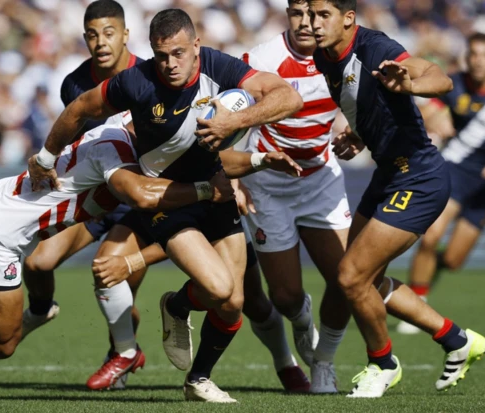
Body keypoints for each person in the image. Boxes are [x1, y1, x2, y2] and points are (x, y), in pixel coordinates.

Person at [27, 8, 303, 403]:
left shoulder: (220, 68)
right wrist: (44, 158)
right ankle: (129, 346)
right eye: (161, 55)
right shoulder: (136, 82)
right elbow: (80, 109)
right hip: (167, 200)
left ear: (196, 46)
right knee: (221, 288)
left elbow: (287, 97)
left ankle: (196, 372)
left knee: (235, 302)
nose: (170, 64)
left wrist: (236, 125)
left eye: (178, 53)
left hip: (215, 188)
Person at [0, 123, 235, 404]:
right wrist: (208, 190)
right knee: (3, 340)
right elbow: (142, 195)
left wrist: (256, 163)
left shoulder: (116, 132)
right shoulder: (117, 152)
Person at [308, 0, 485, 398]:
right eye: (309, 15)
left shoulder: (375, 48)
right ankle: (456, 339)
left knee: (351, 277)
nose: (313, 24)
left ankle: (383, 364)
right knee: (362, 279)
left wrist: (410, 84)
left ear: (348, 19)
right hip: (388, 174)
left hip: (419, 178)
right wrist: (359, 133)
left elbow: (439, 79)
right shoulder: (324, 56)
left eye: (323, 15)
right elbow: (369, 104)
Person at [18, 0, 149, 390]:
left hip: (139, 201)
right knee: (38, 264)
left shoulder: (149, 76)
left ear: (125, 34)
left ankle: (118, 356)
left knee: (114, 286)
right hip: (94, 200)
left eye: (109, 33)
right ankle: (41, 310)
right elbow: (76, 143)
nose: (101, 42)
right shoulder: (73, 84)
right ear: (85, 38)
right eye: (93, 35)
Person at [238, 0, 351, 394]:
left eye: (315, 14)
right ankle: (303, 322)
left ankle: (324, 363)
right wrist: (233, 176)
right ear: (287, 14)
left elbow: (368, 107)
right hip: (267, 184)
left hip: (321, 180)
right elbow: (231, 114)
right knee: (285, 297)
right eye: (297, 13)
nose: (307, 24)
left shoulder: (343, 55)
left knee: (347, 279)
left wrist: (358, 135)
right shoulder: (261, 59)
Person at [398, 32, 485, 334]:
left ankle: (426, 278)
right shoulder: (454, 83)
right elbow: (421, 101)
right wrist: (434, 113)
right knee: (430, 236)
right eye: (473, 54)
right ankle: (417, 301)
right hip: (454, 168)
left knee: (453, 260)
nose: (478, 61)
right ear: (467, 57)